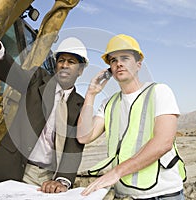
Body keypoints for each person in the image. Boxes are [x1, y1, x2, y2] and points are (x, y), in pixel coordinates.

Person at [0, 8, 88, 193]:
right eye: (62, 60)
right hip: (13, 168)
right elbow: (10, 72)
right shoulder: (37, 79)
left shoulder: (80, 105)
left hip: (47, 178)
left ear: (80, 70)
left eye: (72, 62)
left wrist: (63, 180)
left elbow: (73, 147)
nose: (65, 65)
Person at [77, 34, 186, 199]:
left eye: (125, 58)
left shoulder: (159, 92)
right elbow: (84, 136)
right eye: (113, 60)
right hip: (126, 195)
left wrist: (116, 172)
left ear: (138, 64)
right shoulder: (108, 104)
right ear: (110, 69)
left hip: (163, 194)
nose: (118, 63)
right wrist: (91, 94)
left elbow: (164, 142)